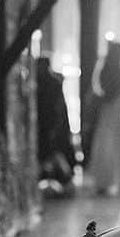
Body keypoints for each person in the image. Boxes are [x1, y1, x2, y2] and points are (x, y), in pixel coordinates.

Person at [87, 40, 120, 195]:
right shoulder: (107, 69)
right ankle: (104, 180)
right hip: (111, 109)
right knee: (108, 144)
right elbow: (104, 88)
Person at [36, 56, 76, 195]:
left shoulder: (50, 84)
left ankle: (60, 179)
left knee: (53, 153)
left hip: (50, 125)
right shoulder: (43, 83)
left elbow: (57, 107)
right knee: (50, 154)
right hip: (46, 125)